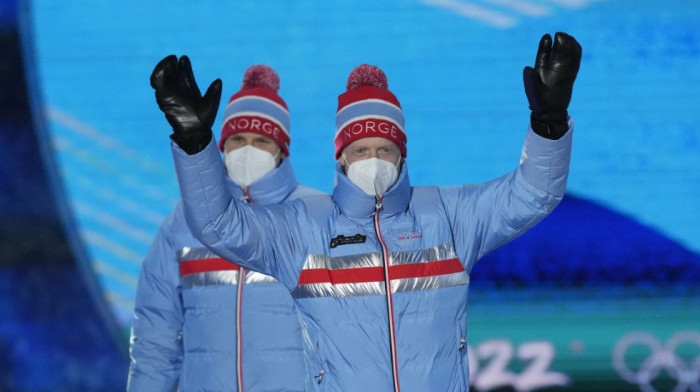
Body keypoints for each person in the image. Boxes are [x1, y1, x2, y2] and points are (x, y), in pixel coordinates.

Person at [152, 32, 581, 391]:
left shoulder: (449, 215)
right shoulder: (303, 227)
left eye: (384, 149)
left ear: (401, 155)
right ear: (341, 157)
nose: (372, 158)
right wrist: (195, 144)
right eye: (360, 150)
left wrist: (549, 124)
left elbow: (533, 193)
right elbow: (216, 223)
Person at [127, 62, 325, 392]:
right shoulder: (182, 225)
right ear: (221, 145)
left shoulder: (315, 216)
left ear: (281, 150)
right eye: (238, 139)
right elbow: (155, 341)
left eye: (261, 140)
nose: (248, 150)